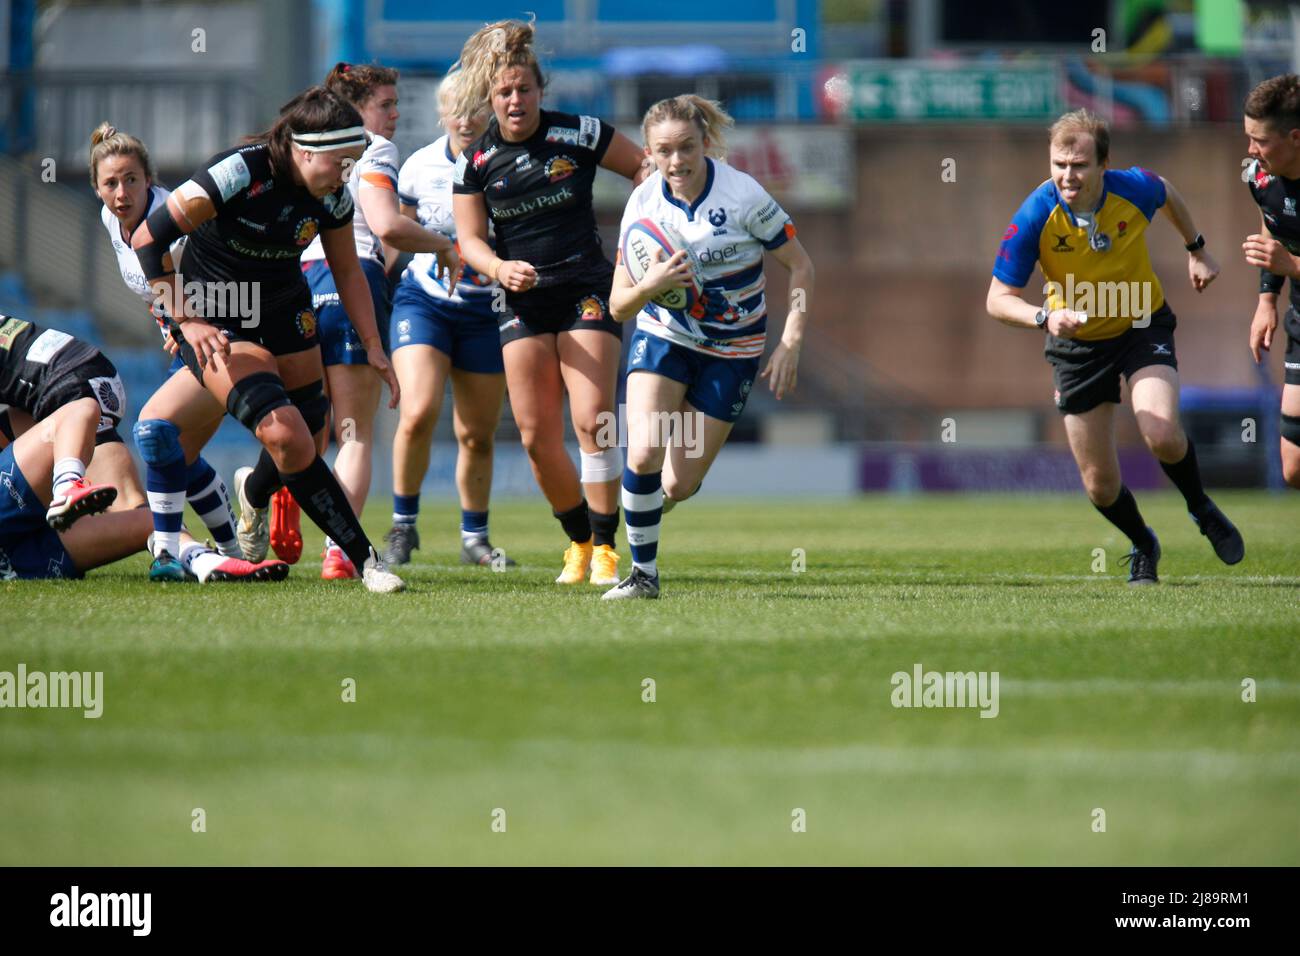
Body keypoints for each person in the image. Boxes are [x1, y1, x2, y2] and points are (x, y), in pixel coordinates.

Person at [131, 85, 405, 593]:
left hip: (284, 307)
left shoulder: (335, 197)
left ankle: (255, 495)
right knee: (286, 437)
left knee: (312, 429)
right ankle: (367, 559)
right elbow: (148, 238)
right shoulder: (238, 173)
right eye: (342, 162)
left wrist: (372, 344)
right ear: (304, 151)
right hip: (220, 314)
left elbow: (347, 270)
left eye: (356, 162)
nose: (349, 175)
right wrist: (186, 321)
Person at [986, 109, 1244, 584]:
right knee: (1100, 486)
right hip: (1077, 347)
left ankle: (1201, 507)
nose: (1068, 175)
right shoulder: (1034, 215)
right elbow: (997, 300)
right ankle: (1144, 542)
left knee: (1162, 433)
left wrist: (1197, 247)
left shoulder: (1132, 188)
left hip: (1140, 326)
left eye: (1079, 164)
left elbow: (1166, 191)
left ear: (1104, 164)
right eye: (1059, 164)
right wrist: (1045, 317)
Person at [450, 18, 648, 585]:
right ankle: (580, 541)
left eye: (525, 89)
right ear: (491, 97)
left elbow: (641, 168)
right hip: (521, 301)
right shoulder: (477, 162)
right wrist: (496, 267)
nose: (515, 100)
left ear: (540, 91)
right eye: (504, 92)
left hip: (587, 289)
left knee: (593, 421)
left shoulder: (580, 134)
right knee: (537, 438)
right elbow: (468, 241)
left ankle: (609, 547)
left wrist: (645, 233)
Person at [603, 96, 813, 599]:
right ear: (649, 153)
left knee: (675, 486)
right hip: (664, 336)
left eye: (687, 148)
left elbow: (801, 267)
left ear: (706, 144)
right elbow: (617, 307)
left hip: (733, 350)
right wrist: (651, 283)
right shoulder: (643, 203)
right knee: (644, 451)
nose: (676, 162)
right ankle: (643, 576)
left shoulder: (743, 196)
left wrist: (791, 341)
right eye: (663, 151)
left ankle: (650, 510)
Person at [297, 62, 461, 578]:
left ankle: (265, 490)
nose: (393, 114)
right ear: (356, 110)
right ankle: (339, 552)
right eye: (385, 104)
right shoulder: (374, 147)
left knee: (307, 427)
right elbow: (387, 227)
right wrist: (444, 244)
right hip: (350, 282)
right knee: (356, 433)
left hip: (296, 283)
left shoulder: (304, 145)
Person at [90, 122, 245, 559]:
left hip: (225, 333)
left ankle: (170, 554)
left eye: (132, 180)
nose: (122, 193)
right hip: (190, 337)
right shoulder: (110, 218)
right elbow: (152, 285)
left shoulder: (172, 225)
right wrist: (170, 319)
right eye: (111, 183)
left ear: (150, 181)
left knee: (159, 436)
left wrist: (188, 321)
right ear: (98, 189)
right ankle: (236, 550)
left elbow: (225, 283)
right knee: (178, 451)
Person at [381, 72, 514, 568]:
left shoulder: (508, 163)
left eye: (477, 105)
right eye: (455, 106)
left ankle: (474, 538)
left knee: (477, 434)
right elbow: (397, 237)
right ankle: (403, 528)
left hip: (489, 311)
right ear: (440, 112)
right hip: (426, 302)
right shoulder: (419, 166)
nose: (466, 116)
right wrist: (370, 296)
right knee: (417, 411)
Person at [0, 399, 286, 582]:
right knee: (81, 407)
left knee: (153, 523)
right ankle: (67, 487)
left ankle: (201, 561)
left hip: (16, 565)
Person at [0, 314, 124, 529]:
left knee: (128, 507)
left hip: (71, 389)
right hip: (85, 373)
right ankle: (195, 556)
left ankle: (65, 487)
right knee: (136, 511)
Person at [1242, 74, 1300, 489]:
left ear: (1295, 137)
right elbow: (1272, 228)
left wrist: (1292, 265)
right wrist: (1266, 300)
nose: (1250, 150)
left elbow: (1285, 256)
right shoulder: (1259, 179)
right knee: (1294, 466)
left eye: (1260, 140)